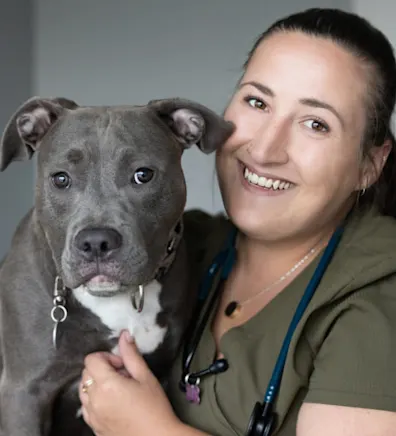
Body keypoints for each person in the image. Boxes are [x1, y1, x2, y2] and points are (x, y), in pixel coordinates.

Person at [77, 7, 396, 436]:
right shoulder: (182, 245)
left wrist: (147, 429)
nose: (265, 149)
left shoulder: (377, 299)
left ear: (371, 165)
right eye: (257, 101)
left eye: (316, 123)